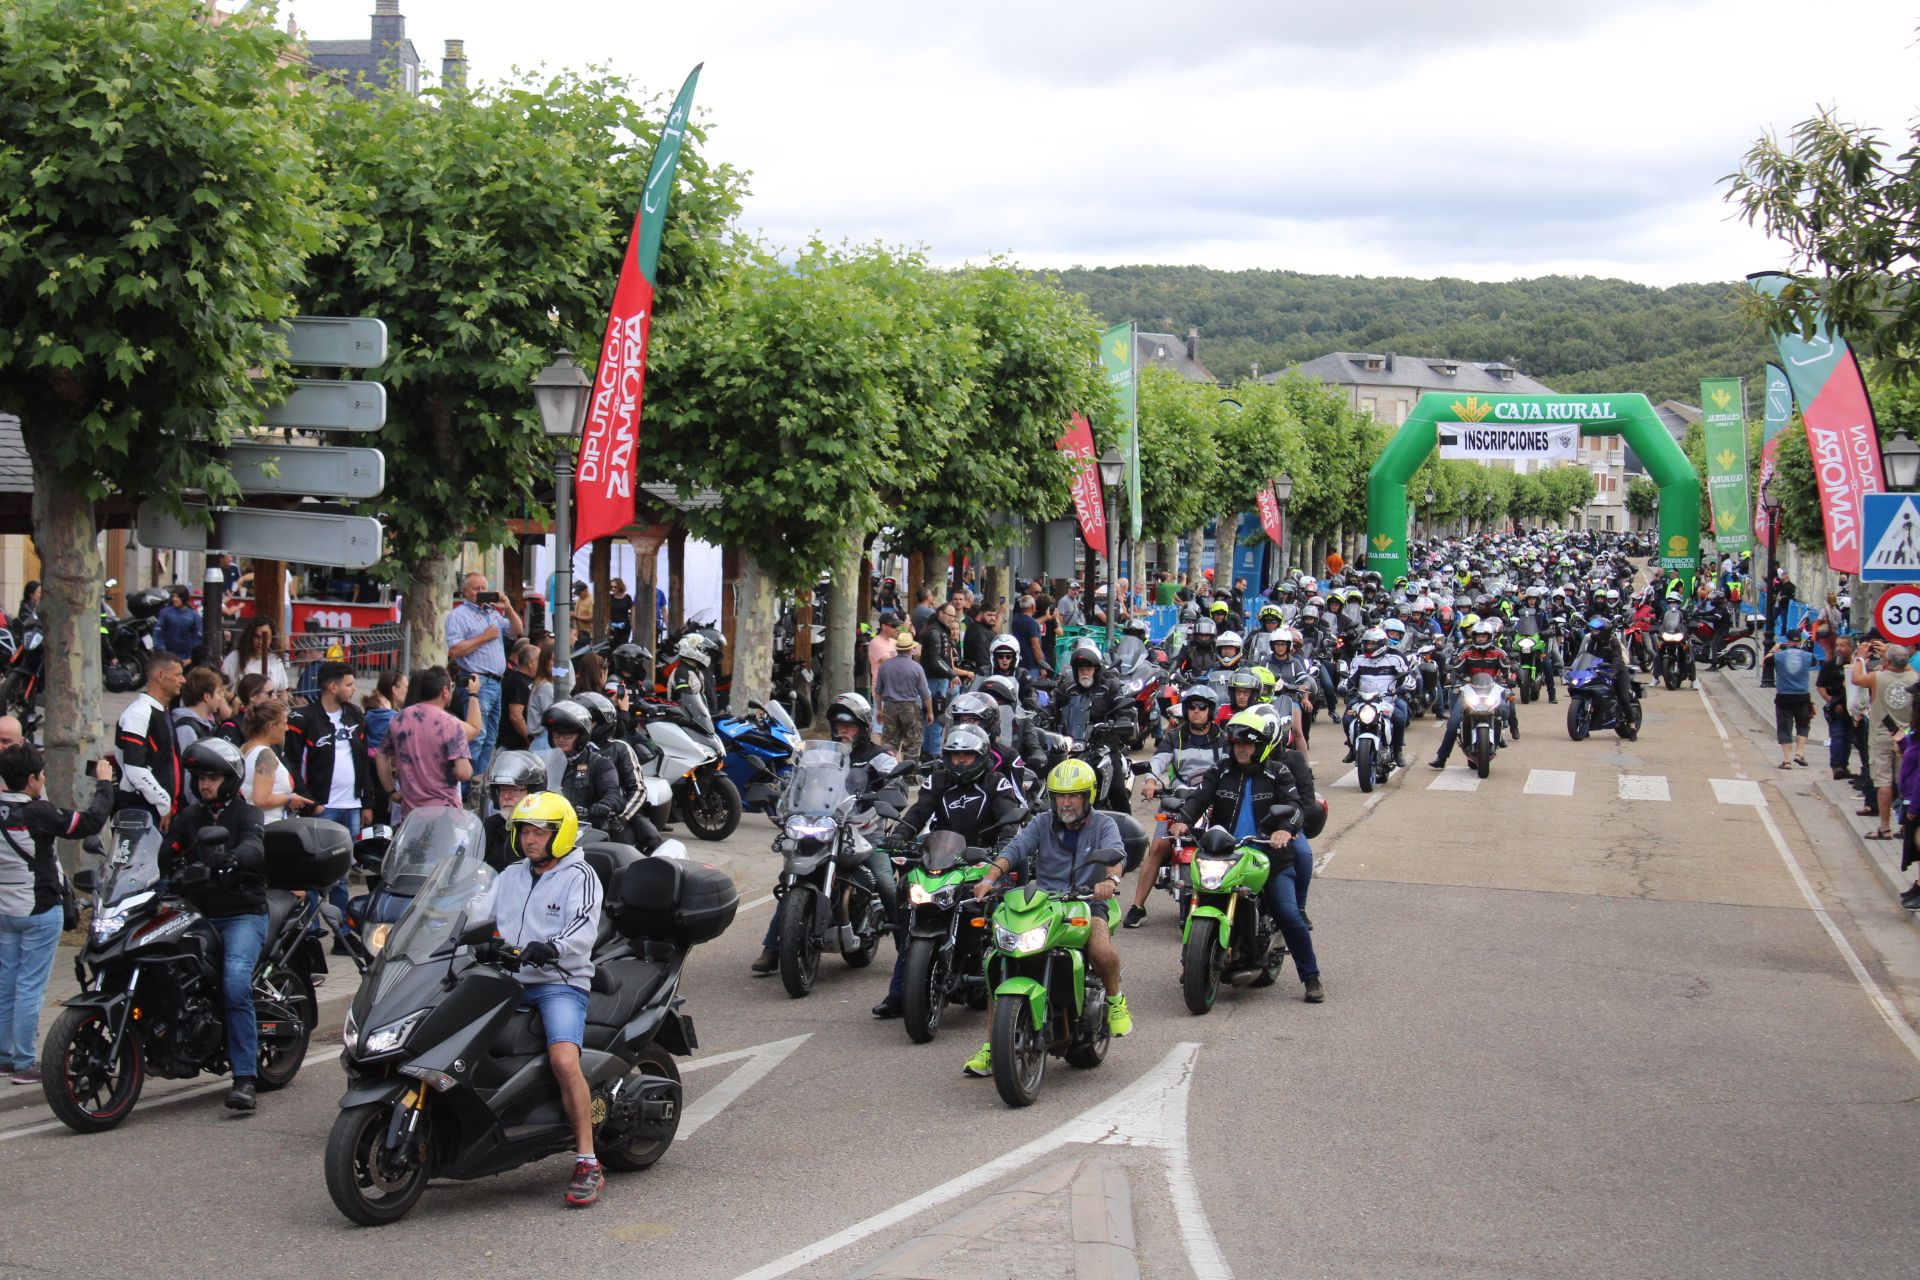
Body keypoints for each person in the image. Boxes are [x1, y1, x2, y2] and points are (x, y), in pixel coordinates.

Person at [467, 791, 607, 1206]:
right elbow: (477, 910)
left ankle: (587, 1160)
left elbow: (582, 929)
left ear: (560, 835)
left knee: (564, 1060)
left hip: (558, 981)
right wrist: (445, 923)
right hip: (504, 977)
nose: (529, 840)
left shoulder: (580, 877)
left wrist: (553, 947)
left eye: (539, 832)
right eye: (524, 831)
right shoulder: (509, 875)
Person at [960, 760, 1132, 1078]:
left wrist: (1110, 883)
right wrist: (989, 878)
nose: (1065, 803)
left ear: (1088, 796)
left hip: (1085, 902)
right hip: (1044, 902)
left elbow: (1115, 856)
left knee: (1100, 949)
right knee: (998, 959)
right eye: (1059, 796)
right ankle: (992, 1045)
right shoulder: (1041, 822)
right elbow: (1015, 848)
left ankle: (1115, 999)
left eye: (1074, 796)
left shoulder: (1103, 824)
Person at [1171, 711, 1322, 1001]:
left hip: (1269, 854)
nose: (1241, 748)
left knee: (1288, 913)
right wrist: (1183, 819)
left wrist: (1284, 830)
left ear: (1262, 746)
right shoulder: (1221, 771)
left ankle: (1311, 976)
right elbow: (1199, 797)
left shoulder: (1279, 772)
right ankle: (1194, 960)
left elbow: (1294, 806)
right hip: (1224, 851)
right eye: (1237, 743)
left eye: (1248, 744)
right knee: (1195, 893)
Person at [159, 738, 268, 1111]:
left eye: (213, 777)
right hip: (196, 915)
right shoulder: (190, 818)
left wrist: (234, 860)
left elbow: (255, 846)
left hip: (242, 914)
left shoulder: (247, 813)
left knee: (235, 981)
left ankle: (244, 1078)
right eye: (200, 777)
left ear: (231, 778)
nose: (205, 784)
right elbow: (167, 852)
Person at [0, 748, 113, 1084]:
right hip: (39, 909)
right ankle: (23, 1062)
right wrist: (104, 783)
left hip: (5, 909)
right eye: (42, 775)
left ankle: (4, 1057)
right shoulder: (38, 812)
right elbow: (89, 822)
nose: (44, 779)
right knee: (30, 987)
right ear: (33, 780)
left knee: (6, 984)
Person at [1128, 685, 1226, 927]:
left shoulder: (1222, 738)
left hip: (1210, 802)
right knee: (1159, 847)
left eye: (1202, 707)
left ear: (1211, 711)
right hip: (1177, 799)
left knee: (1224, 846)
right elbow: (1160, 760)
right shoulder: (1175, 737)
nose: (1197, 711)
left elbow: (1229, 766)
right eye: (1192, 706)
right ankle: (1137, 906)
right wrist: (1151, 781)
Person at [446, 573, 524, 778]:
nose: (481, 592)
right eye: (476, 588)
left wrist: (508, 608)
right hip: (476, 681)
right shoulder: (459, 615)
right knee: (476, 735)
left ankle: (477, 783)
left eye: (484, 588)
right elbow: (455, 650)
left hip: (496, 681)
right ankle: (465, 782)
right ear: (465, 591)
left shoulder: (493, 613)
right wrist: (484, 638)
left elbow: (517, 630)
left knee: (491, 737)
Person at [376, 668, 479, 822]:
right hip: (443, 813)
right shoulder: (450, 723)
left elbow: (381, 755)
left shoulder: (399, 719)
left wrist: (391, 791)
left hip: (410, 814)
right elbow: (463, 773)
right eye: (451, 687)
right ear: (444, 691)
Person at [1850, 640, 1916, 840]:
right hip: (1906, 738)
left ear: (1888, 660)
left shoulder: (1877, 677)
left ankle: (1885, 827)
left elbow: (1855, 678)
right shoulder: (1914, 678)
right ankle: (1906, 826)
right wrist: (1893, 655)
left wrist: (1861, 656)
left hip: (1880, 736)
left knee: (1883, 782)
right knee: (1905, 783)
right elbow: (1908, 668)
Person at [1428, 621, 1513, 769]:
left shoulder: (1499, 653)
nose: (1480, 639)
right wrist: (1452, 679)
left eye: (1483, 636)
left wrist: (1512, 678)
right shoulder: (1466, 653)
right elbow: (1455, 669)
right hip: (1470, 690)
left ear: (1490, 637)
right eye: (1478, 636)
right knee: (1453, 724)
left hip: (1491, 690)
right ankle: (1441, 758)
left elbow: (1508, 668)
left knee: (1505, 708)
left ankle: (1500, 735)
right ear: (1473, 637)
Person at [115, 651, 185, 823]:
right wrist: (163, 803)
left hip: (162, 810)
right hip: (141, 809)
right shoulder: (139, 713)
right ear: (160, 676)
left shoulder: (163, 710)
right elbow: (134, 767)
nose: (183, 680)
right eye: (178, 675)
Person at [240, 697, 312, 825]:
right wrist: (289, 799)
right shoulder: (265, 755)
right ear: (271, 727)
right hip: (267, 826)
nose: (287, 729)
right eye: (284, 724)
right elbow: (260, 799)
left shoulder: (245, 747)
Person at [480, 750, 548, 871]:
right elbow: (468, 859)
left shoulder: (545, 828)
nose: (506, 796)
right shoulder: (490, 826)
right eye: (503, 790)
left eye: (515, 790)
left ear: (533, 792)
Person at [875, 632, 933, 767]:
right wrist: (930, 712)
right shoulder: (916, 668)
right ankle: (909, 774)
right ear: (911, 649)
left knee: (889, 742)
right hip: (910, 708)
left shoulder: (885, 666)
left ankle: (887, 770)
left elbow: (878, 692)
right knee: (913, 742)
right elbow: (925, 693)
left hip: (889, 707)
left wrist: (879, 709)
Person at [1771, 630, 1816, 770]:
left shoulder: (1779, 656)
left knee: (1785, 728)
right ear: (1800, 641)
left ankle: (1787, 760)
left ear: (1787, 640)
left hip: (1784, 696)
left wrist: (1773, 650)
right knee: (1803, 724)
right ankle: (1800, 753)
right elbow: (1814, 663)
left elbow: (1765, 662)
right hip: (1802, 696)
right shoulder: (1809, 656)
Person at [223, 616, 289, 696]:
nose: (261, 642)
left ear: (272, 639)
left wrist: (283, 697)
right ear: (250, 637)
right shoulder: (236, 657)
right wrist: (233, 699)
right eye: (257, 637)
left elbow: (283, 689)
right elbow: (220, 687)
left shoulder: (275, 659)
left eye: (266, 638)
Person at [171, 666, 228, 752]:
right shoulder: (186, 728)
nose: (220, 698)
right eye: (218, 693)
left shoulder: (208, 725)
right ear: (207, 696)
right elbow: (185, 762)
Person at [499, 641, 538, 753]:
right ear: (531, 662)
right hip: (513, 747)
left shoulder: (528, 680)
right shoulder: (517, 681)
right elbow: (516, 716)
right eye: (539, 661)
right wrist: (529, 739)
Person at [154, 586, 201, 662]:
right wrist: (162, 652)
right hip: (167, 657)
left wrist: (190, 658)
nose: (175, 599)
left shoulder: (194, 616)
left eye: (178, 597)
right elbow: (158, 633)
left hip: (186, 658)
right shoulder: (165, 613)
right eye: (173, 596)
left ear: (184, 598)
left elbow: (197, 638)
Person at [1009, 595, 1049, 676]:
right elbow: (1035, 647)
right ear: (1033, 606)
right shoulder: (1032, 623)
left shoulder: (1016, 619)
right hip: (1031, 665)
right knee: (1031, 687)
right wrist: (1042, 666)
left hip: (1018, 661)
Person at [867, 612, 900, 692]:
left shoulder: (893, 641)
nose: (897, 628)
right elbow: (890, 664)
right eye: (893, 626)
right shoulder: (876, 643)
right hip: (882, 690)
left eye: (897, 625)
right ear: (884, 626)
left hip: (894, 688)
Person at [607, 577, 633, 646]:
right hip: (613, 627)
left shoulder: (627, 597)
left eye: (615, 587)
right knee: (612, 647)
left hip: (625, 627)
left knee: (623, 647)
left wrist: (632, 624)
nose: (613, 589)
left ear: (620, 587)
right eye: (611, 587)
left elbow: (633, 611)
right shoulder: (609, 597)